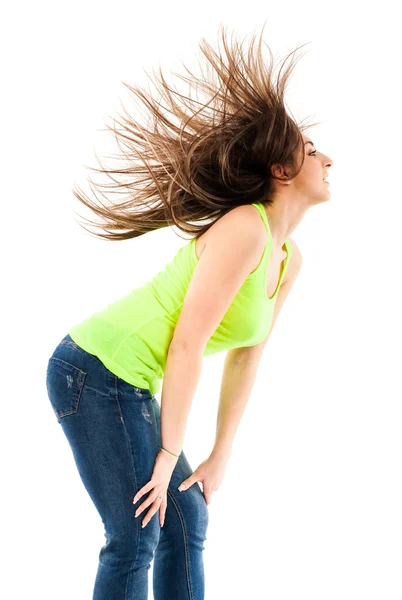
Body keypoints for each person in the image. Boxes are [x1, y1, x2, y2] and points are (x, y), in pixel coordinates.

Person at [45, 23, 333, 600]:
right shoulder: (244, 227)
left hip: (132, 380)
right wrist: (169, 453)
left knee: (186, 520)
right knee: (135, 533)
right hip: (95, 370)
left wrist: (220, 453)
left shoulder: (287, 258)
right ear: (280, 171)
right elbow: (186, 344)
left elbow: (246, 359)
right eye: (309, 150)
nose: (328, 157)